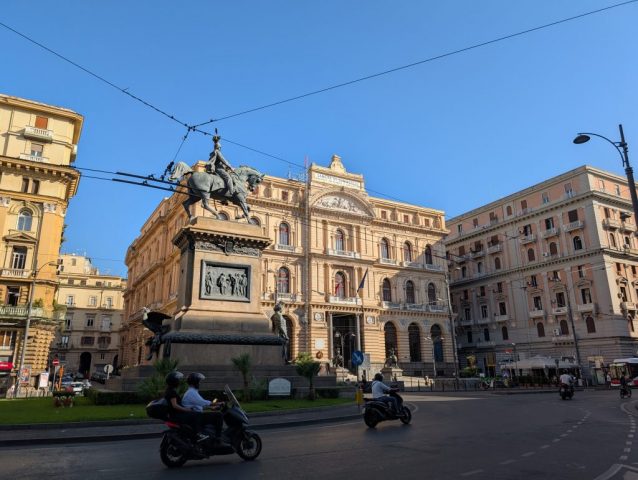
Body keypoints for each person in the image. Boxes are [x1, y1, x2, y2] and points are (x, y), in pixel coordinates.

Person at [181, 372, 228, 446]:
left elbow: (198, 405)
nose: (199, 384)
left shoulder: (192, 392)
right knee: (219, 415)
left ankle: (210, 436)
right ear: (195, 382)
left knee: (213, 416)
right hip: (196, 417)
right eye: (199, 382)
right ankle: (218, 439)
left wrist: (211, 408)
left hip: (196, 415)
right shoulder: (191, 393)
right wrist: (218, 403)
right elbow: (203, 402)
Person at [163, 371, 208, 442]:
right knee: (196, 415)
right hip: (177, 415)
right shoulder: (171, 392)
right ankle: (197, 434)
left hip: (174, 414)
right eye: (178, 380)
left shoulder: (169, 390)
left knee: (194, 415)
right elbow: (175, 405)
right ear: (174, 381)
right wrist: (186, 409)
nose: (179, 382)